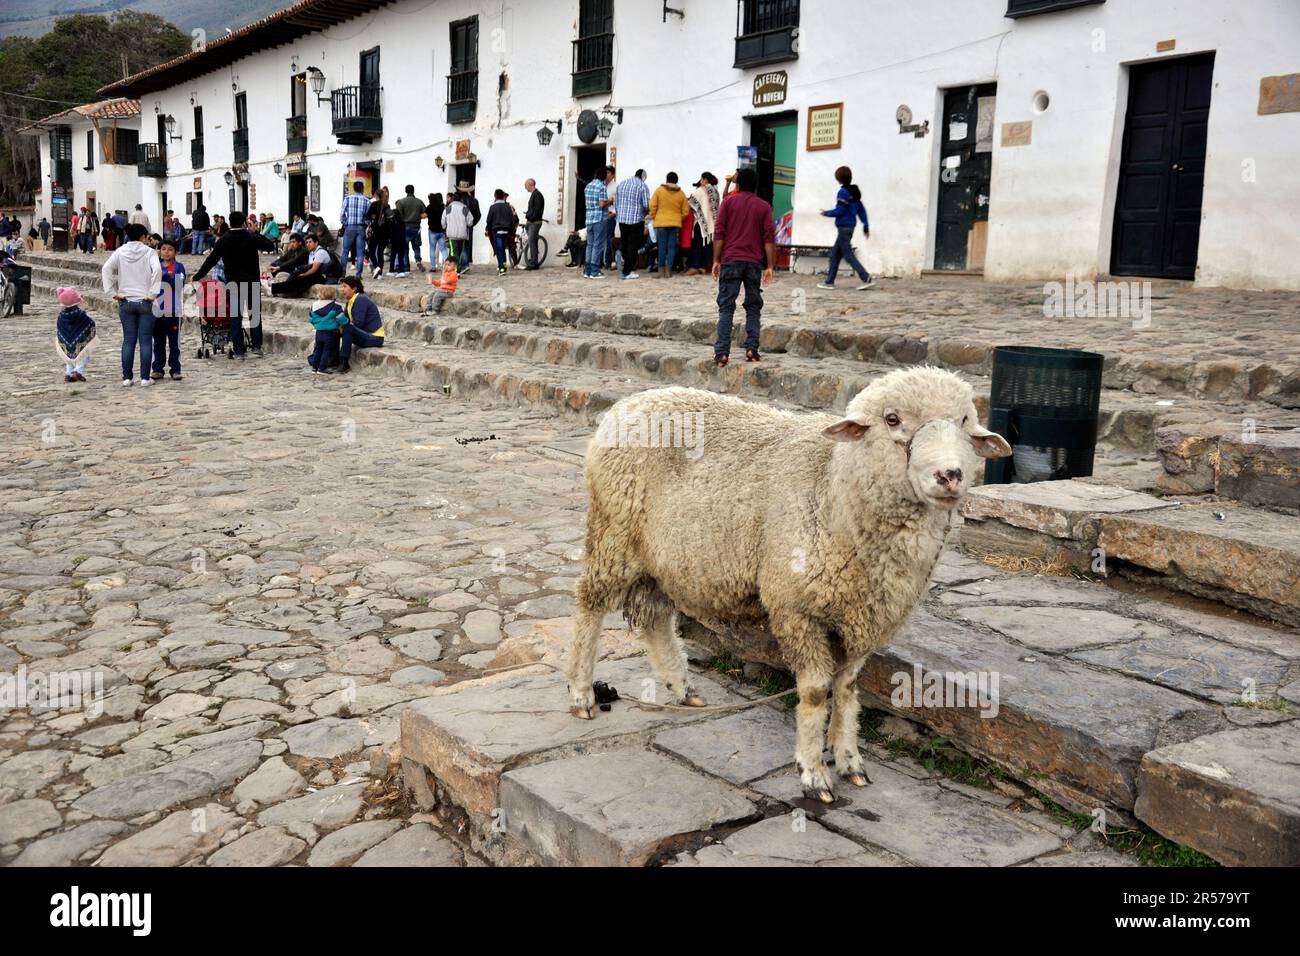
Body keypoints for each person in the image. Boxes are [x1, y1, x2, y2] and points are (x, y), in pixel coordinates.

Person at [711, 167, 775, 367]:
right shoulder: (764, 207)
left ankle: (722, 353)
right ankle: (751, 349)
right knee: (753, 306)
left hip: (731, 260)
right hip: (754, 263)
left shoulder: (728, 203)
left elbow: (719, 234)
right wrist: (770, 265)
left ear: (737, 184)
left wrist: (716, 260)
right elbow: (768, 238)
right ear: (756, 186)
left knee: (726, 307)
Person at [191, 209, 277, 357]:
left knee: (235, 317)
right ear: (244, 222)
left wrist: (198, 276)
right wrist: (255, 232)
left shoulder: (224, 239)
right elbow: (270, 246)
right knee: (254, 315)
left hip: (234, 283)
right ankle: (256, 346)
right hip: (252, 282)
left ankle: (239, 350)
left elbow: (211, 260)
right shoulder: (251, 237)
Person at [101, 222, 163, 386]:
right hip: (145, 301)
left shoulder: (120, 251)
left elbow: (106, 269)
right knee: (145, 341)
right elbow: (157, 270)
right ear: (143, 237)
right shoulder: (150, 252)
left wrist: (112, 292)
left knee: (128, 340)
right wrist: (153, 293)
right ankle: (144, 378)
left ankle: (127, 378)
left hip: (126, 301)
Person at [818, 165, 875, 290]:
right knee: (835, 255)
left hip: (844, 227)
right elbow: (862, 211)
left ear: (839, 179)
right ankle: (829, 281)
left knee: (848, 255)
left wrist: (826, 213)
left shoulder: (843, 192)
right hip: (850, 228)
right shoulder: (855, 193)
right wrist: (866, 226)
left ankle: (865, 277)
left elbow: (840, 210)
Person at [152, 238, 185, 381]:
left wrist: (166, 278)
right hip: (156, 309)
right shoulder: (155, 266)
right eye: (164, 249)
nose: (166, 252)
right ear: (159, 251)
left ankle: (175, 369)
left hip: (173, 310)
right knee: (158, 342)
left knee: (174, 342)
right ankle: (157, 369)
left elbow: (179, 286)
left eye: (170, 249)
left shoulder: (178, 267)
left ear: (175, 252)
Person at [336, 274, 383, 373]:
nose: (342, 289)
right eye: (342, 287)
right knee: (333, 330)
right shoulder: (350, 302)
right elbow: (345, 320)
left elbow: (358, 323)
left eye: (345, 286)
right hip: (363, 334)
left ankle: (344, 362)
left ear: (354, 289)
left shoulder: (361, 299)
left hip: (375, 337)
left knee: (348, 328)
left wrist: (343, 326)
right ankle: (331, 359)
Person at [272, 232, 338, 298]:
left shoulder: (320, 252)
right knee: (297, 279)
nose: (308, 244)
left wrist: (303, 275)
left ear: (316, 243)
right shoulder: (312, 253)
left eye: (310, 242)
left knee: (300, 280)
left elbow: (314, 269)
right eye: (306, 242)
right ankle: (276, 288)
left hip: (322, 276)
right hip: (315, 274)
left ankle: (274, 289)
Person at [649, 171, 689, 278]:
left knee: (661, 247)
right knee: (671, 247)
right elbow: (686, 211)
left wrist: (655, 216)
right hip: (675, 224)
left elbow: (652, 206)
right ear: (677, 181)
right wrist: (678, 219)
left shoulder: (659, 191)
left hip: (661, 222)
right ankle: (669, 271)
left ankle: (661, 271)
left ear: (666, 180)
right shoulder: (681, 194)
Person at [613, 169, 649, 280]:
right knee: (633, 245)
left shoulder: (622, 183)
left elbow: (616, 202)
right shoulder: (642, 186)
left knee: (624, 242)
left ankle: (623, 259)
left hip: (622, 219)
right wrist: (645, 213)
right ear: (643, 176)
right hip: (636, 220)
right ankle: (627, 271)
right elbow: (646, 205)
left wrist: (619, 214)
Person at [54, 286, 95, 383]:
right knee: (83, 356)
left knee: (69, 359)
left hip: (65, 342)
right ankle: (77, 372)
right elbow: (89, 323)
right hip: (80, 342)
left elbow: (59, 328)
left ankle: (68, 374)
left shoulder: (61, 316)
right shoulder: (80, 314)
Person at [583, 165, 615, 279]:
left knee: (589, 245)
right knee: (598, 244)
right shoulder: (601, 187)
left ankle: (587, 270)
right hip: (599, 218)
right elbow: (601, 204)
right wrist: (609, 201)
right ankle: (595, 271)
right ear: (604, 176)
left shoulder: (588, 186)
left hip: (589, 218)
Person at [686, 172, 721, 275]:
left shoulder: (700, 190)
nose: (700, 181)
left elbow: (690, 203)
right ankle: (703, 267)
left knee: (697, 244)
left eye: (701, 179)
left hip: (701, 222)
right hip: (712, 223)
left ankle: (695, 266)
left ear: (704, 179)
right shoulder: (715, 192)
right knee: (707, 245)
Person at [307, 288, 346, 374]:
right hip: (330, 333)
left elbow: (310, 319)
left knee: (318, 350)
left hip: (319, 332)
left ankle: (314, 368)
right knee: (327, 350)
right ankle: (322, 368)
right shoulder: (336, 307)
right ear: (333, 296)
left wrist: (317, 325)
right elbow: (341, 319)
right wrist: (346, 322)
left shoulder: (314, 306)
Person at [340, 180, 371, 276]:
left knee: (345, 251)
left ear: (353, 188)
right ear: (362, 189)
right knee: (360, 252)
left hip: (349, 227)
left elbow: (342, 214)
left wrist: (345, 223)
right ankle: (358, 274)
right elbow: (368, 217)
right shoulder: (367, 201)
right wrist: (364, 223)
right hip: (361, 227)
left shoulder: (347, 199)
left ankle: (342, 273)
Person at [394, 184, 426, 275]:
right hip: (416, 227)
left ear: (406, 191)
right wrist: (417, 216)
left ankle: (406, 266)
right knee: (416, 246)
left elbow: (398, 215)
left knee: (404, 247)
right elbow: (425, 213)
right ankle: (418, 261)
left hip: (405, 227)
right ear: (413, 191)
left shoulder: (401, 202)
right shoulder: (419, 202)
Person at [484, 189, 516, 275]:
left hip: (497, 231)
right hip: (507, 231)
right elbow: (512, 220)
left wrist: (487, 229)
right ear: (503, 196)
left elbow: (489, 220)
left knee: (499, 249)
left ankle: (502, 268)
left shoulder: (493, 207)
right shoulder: (508, 207)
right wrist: (513, 232)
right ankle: (504, 263)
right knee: (502, 248)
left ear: (495, 196)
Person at [365, 186, 393, 278]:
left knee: (372, 251)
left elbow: (367, 216)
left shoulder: (374, 204)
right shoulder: (387, 205)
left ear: (376, 195)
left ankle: (377, 267)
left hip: (376, 231)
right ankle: (379, 274)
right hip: (385, 232)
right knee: (380, 252)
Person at [442, 192, 473, 270]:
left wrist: (445, 227)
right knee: (460, 252)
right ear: (461, 199)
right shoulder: (465, 208)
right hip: (462, 235)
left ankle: (455, 270)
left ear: (453, 199)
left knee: (453, 252)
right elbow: (470, 221)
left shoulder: (448, 208)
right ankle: (457, 269)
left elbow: (443, 221)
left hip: (452, 234)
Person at [522, 179, 544, 270]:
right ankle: (533, 261)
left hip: (535, 222)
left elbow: (537, 210)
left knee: (532, 242)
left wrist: (530, 217)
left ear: (530, 185)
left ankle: (534, 263)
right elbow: (533, 209)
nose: (525, 187)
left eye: (525, 185)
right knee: (533, 242)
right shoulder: (534, 194)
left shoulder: (537, 195)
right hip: (532, 222)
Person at [459, 182, 481, 272]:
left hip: (459, 225)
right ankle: (466, 262)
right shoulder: (474, 200)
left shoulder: (458, 201)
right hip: (469, 226)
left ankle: (463, 264)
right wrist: (472, 223)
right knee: (467, 245)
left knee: (460, 245)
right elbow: (478, 215)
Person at [425, 192, 446, 268]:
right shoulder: (443, 207)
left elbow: (424, 215)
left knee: (432, 249)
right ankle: (447, 266)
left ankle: (433, 266)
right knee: (443, 249)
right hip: (442, 231)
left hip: (432, 231)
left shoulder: (429, 207)